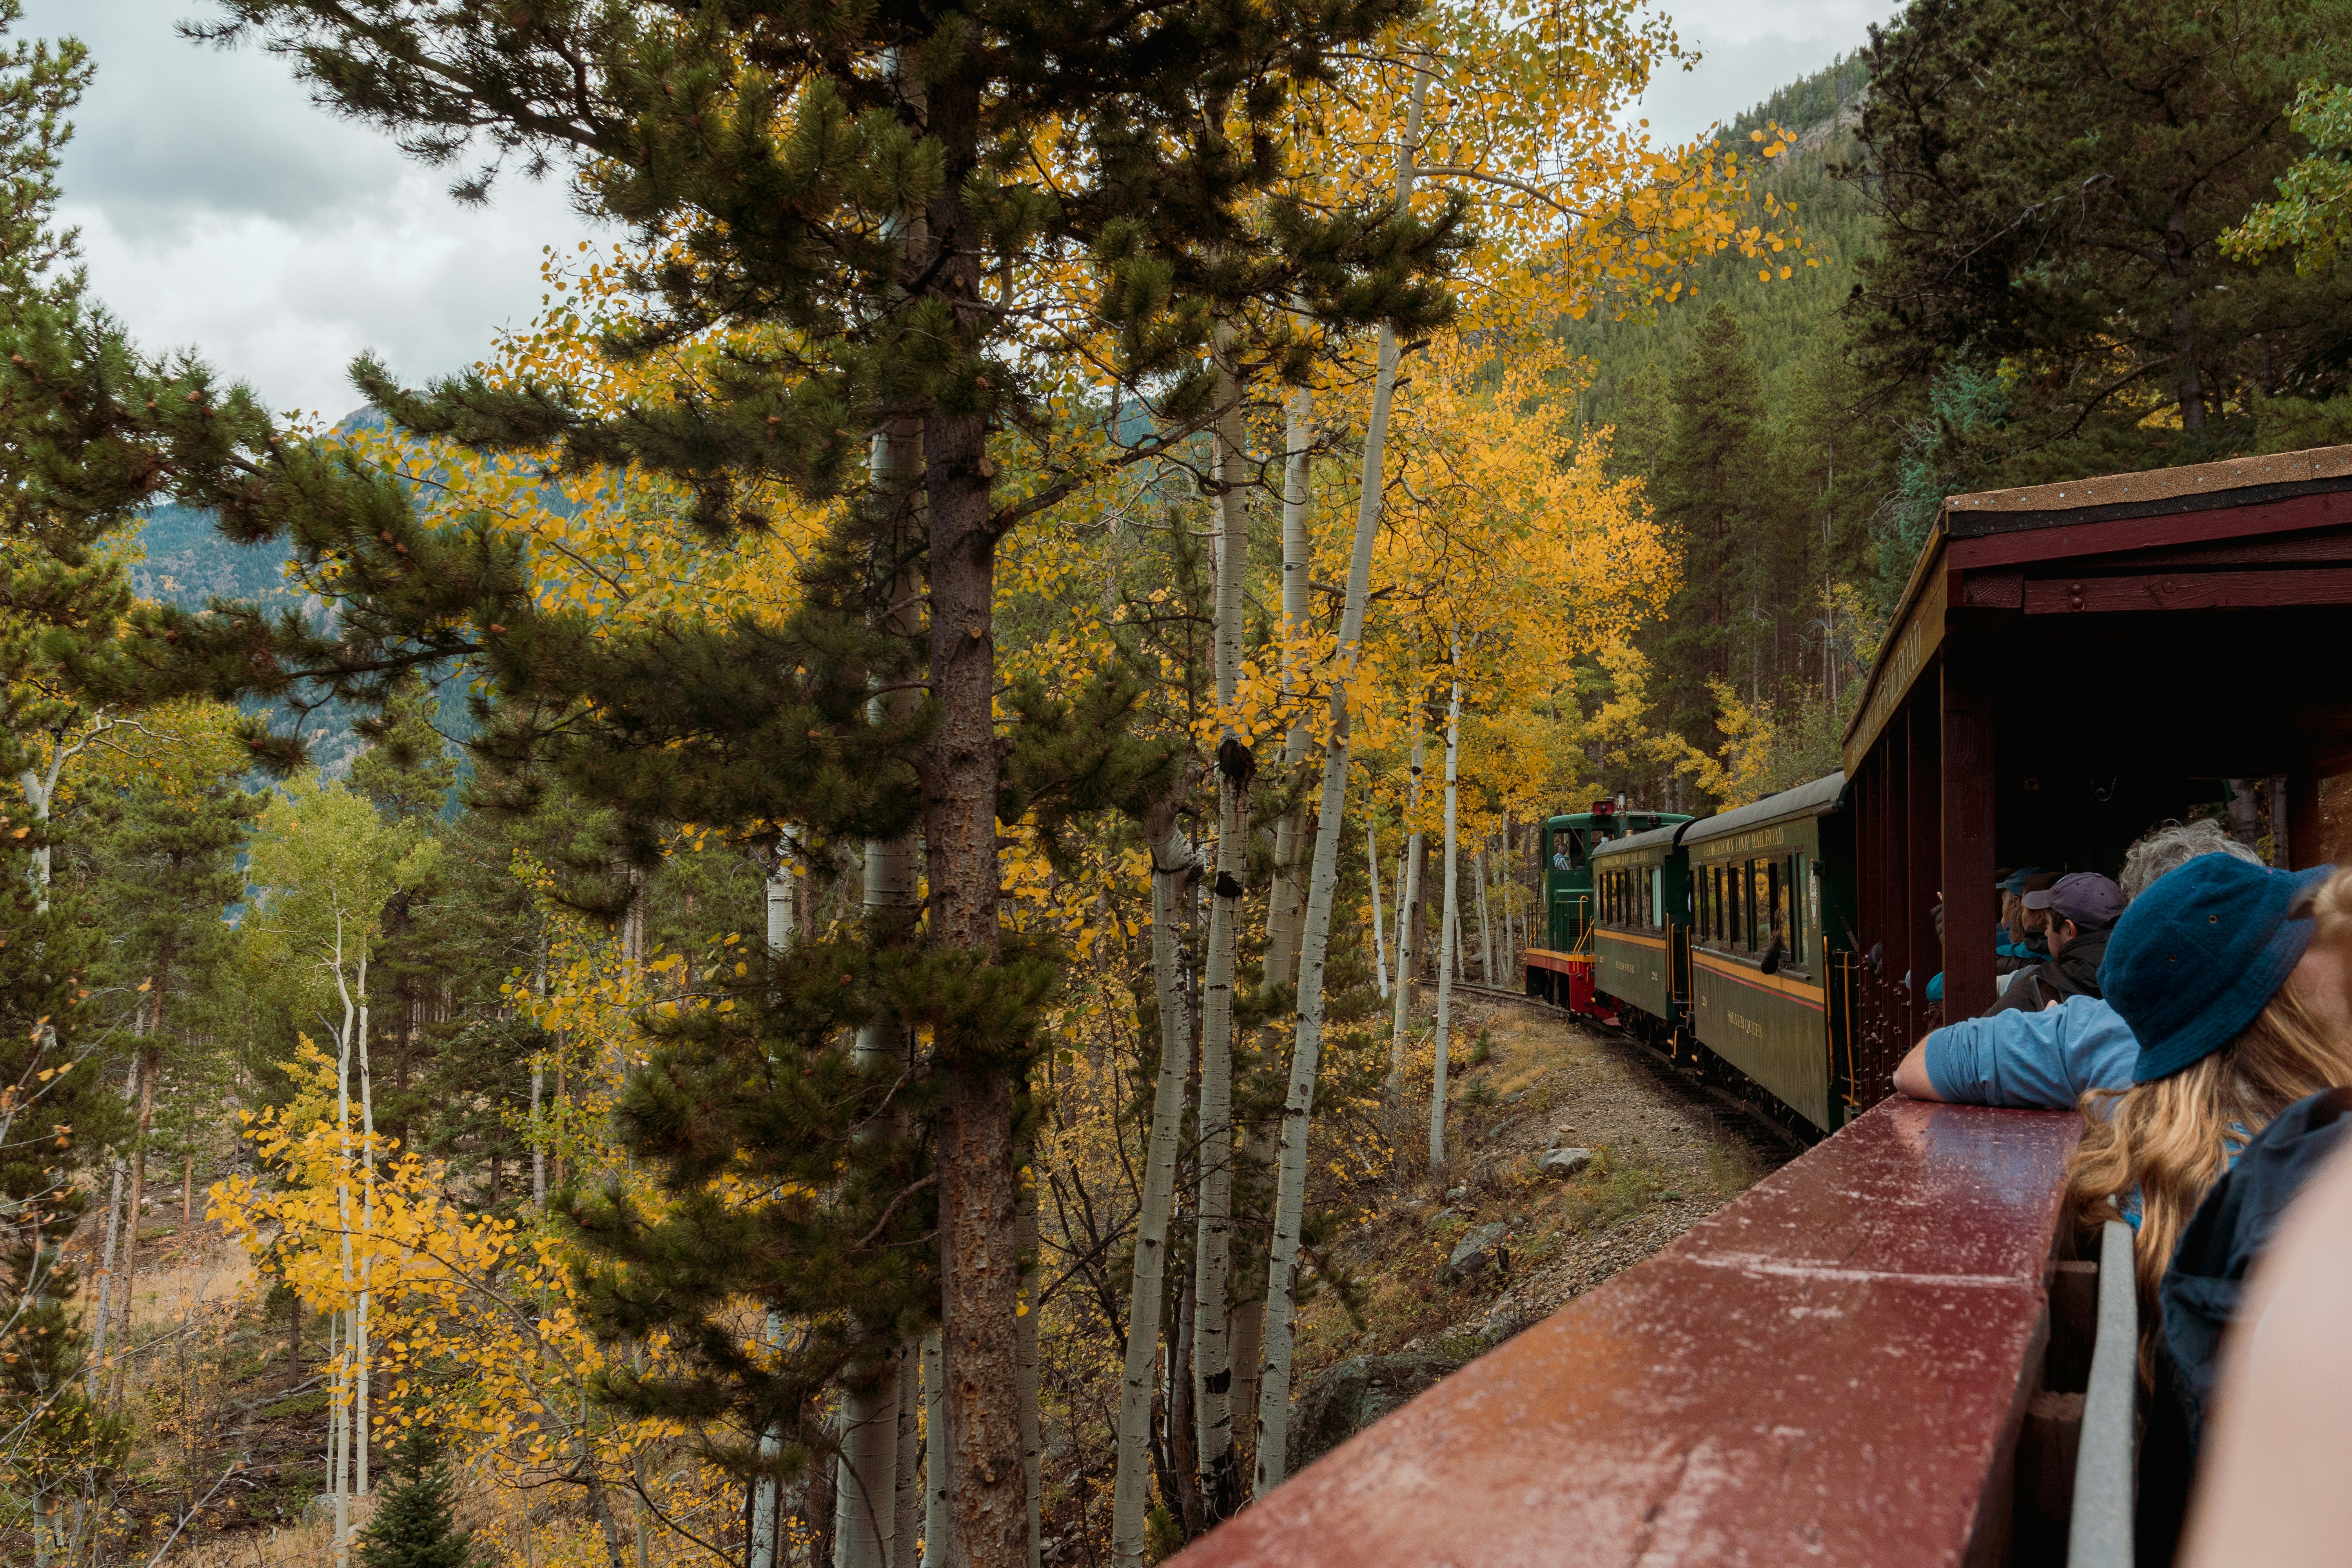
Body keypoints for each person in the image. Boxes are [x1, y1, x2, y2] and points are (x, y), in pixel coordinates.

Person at [1893, 823, 2265, 1108]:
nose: (2032, 918)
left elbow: (1924, 1054)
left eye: (2031, 909)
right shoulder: (2303, 1024)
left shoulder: (2086, 1028)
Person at [1984, 871, 2124, 1014]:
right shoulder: (2141, 977)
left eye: (2048, 924)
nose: (2045, 932)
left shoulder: (2038, 986)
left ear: (2070, 931)